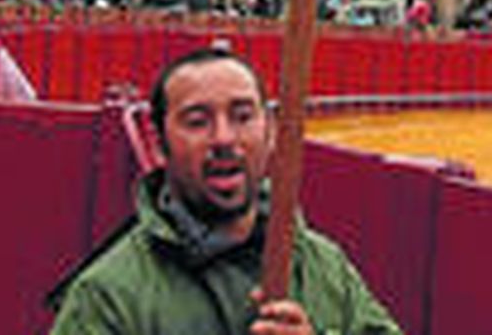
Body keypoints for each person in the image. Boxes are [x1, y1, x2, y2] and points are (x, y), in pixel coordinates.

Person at [49, 47, 401, 335]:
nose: (224, 138)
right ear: (158, 145)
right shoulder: (108, 296)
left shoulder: (323, 266)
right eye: (197, 122)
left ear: (271, 132)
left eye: (242, 116)